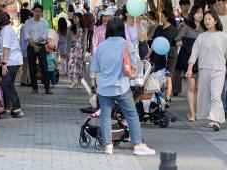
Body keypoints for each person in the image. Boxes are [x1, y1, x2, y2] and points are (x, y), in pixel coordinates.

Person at [91, 17, 156, 155]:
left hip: (104, 87)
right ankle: (138, 145)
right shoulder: (126, 44)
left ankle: (108, 146)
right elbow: (135, 64)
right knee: (131, 115)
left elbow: (95, 69)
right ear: (122, 29)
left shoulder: (101, 46)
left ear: (108, 30)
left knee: (105, 116)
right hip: (121, 86)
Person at [186, 9, 227, 131]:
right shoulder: (201, 37)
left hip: (218, 70)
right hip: (204, 69)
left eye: (209, 19)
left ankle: (216, 120)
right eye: (205, 20)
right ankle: (212, 118)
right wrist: (189, 68)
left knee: (215, 95)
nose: (207, 21)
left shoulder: (224, 36)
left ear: (215, 20)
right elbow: (194, 54)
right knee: (205, 96)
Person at [0, 10, 24, 119]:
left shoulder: (6, 30)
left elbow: (7, 48)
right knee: (9, 84)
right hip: (13, 60)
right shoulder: (6, 30)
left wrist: (4, 63)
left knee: (5, 84)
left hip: (11, 61)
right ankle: (16, 109)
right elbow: (5, 48)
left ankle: (8, 109)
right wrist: (1, 59)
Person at [175, 5, 204, 122]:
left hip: (202, 59)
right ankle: (192, 113)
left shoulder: (205, 28)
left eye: (202, 12)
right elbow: (177, 39)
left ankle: (193, 110)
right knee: (191, 87)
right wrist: (180, 42)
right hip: (189, 59)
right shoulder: (186, 27)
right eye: (197, 12)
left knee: (197, 88)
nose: (200, 15)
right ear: (193, 14)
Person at [146, 10, 178, 107]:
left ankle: (167, 99)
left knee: (168, 77)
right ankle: (159, 98)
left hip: (170, 56)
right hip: (158, 56)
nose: (161, 18)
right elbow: (154, 43)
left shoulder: (174, 29)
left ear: (167, 17)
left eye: (162, 16)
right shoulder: (158, 28)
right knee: (158, 77)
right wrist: (148, 54)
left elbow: (177, 43)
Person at [24, 4, 52, 94]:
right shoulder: (28, 22)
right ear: (33, 11)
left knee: (44, 66)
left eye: (40, 11)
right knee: (32, 67)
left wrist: (37, 44)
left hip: (41, 46)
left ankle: (47, 87)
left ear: (42, 12)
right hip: (31, 46)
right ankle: (34, 88)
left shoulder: (44, 22)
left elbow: (44, 35)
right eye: (36, 11)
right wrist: (34, 45)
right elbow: (26, 36)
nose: (38, 13)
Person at [66, 13, 87, 88]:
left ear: (80, 19)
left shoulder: (84, 29)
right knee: (71, 65)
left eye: (76, 18)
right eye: (73, 18)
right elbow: (67, 40)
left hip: (80, 50)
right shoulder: (70, 28)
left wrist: (84, 52)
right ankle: (72, 82)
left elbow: (84, 41)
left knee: (79, 66)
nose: (74, 20)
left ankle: (78, 82)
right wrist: (67, 50)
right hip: (72, 49)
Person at [19, 11, 31, 87]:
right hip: (29, 47)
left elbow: (21, 39)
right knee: (30, 65)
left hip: (23, 48)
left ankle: (23, 80)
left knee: (24, 65)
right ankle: (30, 81)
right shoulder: (30, 26)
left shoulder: (22, 27)